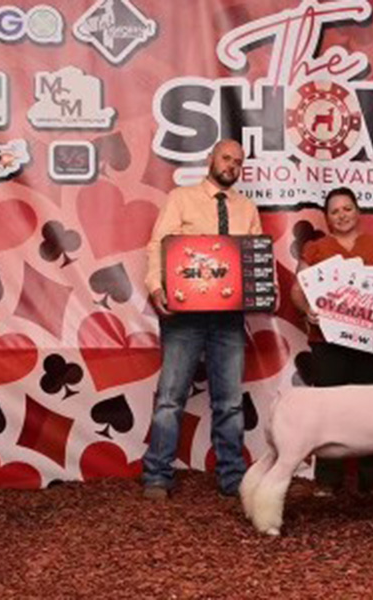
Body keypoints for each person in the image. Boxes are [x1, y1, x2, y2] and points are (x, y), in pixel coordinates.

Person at [141, 139, 262, 500]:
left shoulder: (247, 208)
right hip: (184, 314)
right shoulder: (181, 198)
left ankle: (232, 476)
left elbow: (255, 255)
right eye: (226, 158)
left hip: (229, 316)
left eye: (237, 162)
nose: (231, 166)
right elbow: (158, 244)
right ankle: (157, 475)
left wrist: (261, 289)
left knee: (230, 401)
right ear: (211, 159)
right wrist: (156, 286)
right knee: (170, 397)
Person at [290, 187, 373, 497]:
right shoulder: (315, 249)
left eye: (347, 208)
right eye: (335, 211)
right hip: (327, 342)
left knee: (371, 409)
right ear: (327, 218)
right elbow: (298, 290)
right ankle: (328, 478)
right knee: (328, 408)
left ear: (358, 211)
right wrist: (307, 310)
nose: (341, 215)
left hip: (370, 341)